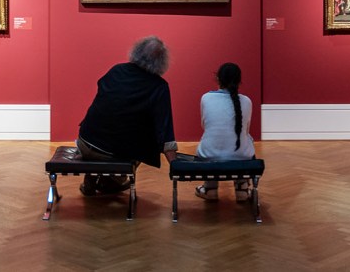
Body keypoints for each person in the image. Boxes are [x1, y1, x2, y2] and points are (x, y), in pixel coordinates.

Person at [76, 36, 178, 195]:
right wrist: (175, 165)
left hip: (85, 140)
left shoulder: (117, 70)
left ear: (136, 52)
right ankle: (113, 180)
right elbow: (164, 130)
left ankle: (93, 177)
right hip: (112, 155)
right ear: (162, 61)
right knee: (145, 137)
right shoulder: (159, 86)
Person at [195, 62, 256, 201]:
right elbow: (246, 131)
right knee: (247, 140)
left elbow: (204, 126)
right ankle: (242, 188)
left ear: (218, 79)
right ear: (239, 81)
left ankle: (210, 188)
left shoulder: (206, 98)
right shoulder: (246, 101)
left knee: (211, 141)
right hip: (241, 157)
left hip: (209, 155)